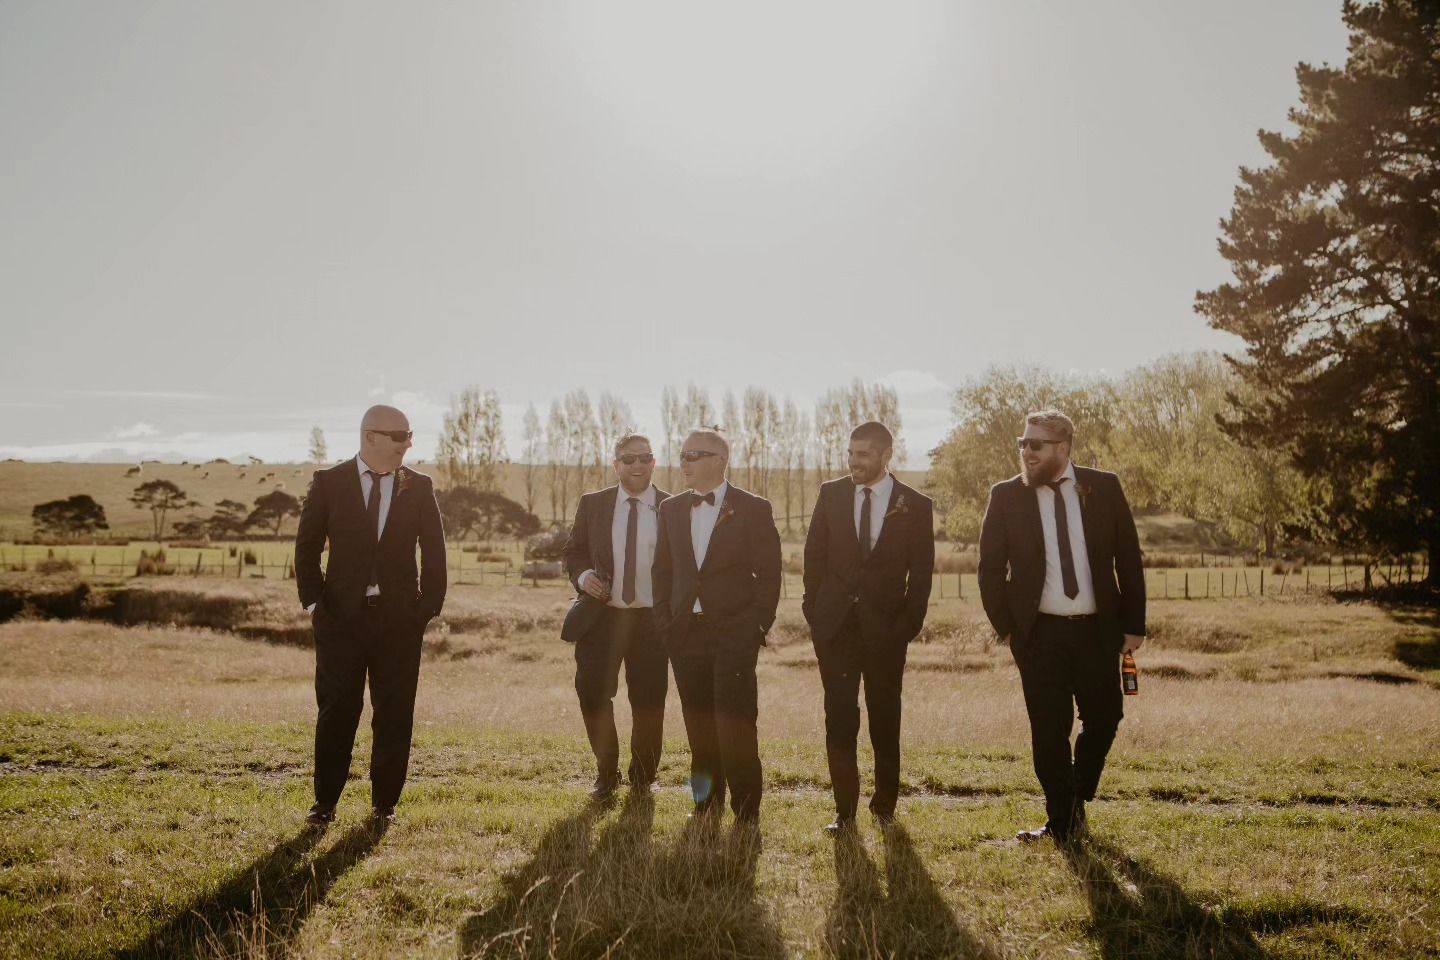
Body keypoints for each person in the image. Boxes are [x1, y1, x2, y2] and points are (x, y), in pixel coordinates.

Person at [977, 409, 1145, 844]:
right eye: (1022, 443)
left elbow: (1128, 557)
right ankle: (1064, 825)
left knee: (1106, 716)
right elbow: (990, 569)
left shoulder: (1102, 487)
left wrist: (1135, 624)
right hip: (1039, 636)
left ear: (1063, 449)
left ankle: (1075, 791)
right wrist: (1008, 630)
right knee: (1049, 731)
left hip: (1096, 631)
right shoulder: (1006, 496)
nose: (1026, 452)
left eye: (1036, 445)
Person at [294, 404, 447, 826]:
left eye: (410, 435)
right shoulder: (329, 483)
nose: (408, 443)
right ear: (370, 437)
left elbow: (434, 550)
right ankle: (324, 804)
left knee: (395, 711)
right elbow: (306, 548)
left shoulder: (419, 486)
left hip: (400, 621)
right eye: (400, 435)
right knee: (337, 711)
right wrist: (314, 604)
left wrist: (427, 607)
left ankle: (384, 806)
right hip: (340, 619)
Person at [803, 420, 934, 833]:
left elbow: (923, 572)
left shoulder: (914, 504)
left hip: (887, 631)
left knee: (884, 716)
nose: (853, 461)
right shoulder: (831, 494)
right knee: (839, 715)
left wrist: (908, 624)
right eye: (850, 453)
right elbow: (814, 558)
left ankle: (884, 805)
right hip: (835, 629)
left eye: (862, 454)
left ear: (885, 455)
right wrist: (815, 612)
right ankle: (844, 810)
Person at [651, 428, 781, 825]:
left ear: (719, 461)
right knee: (698, 725)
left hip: (734, 633)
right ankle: (705, 804)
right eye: (682, 454)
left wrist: (755, 626)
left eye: (694, 454)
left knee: (736, 723)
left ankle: (746, 812)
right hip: (685, 632)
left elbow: (770, 573)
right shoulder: (671, 509)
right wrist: (665, 620)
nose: (684, 462)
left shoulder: (753, 508)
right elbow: (663, 570)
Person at [562, 432, 672, 801]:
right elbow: (573, 551)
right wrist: (582, 576)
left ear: (654, 462)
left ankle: (642, 779)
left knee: (649, 702)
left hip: (652, 622)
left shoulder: (674, 507)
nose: (638, 465)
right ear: (616, 465)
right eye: (629, 459)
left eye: (645, 458)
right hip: (601, 618)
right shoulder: (592, 504)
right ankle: (605, 774)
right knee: (592, 695)